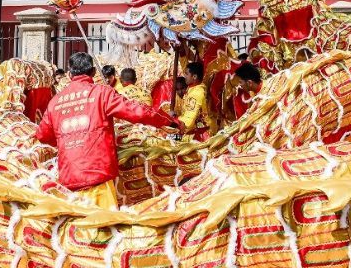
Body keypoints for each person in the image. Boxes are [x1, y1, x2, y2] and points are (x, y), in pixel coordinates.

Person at [35, 52, 180, 208]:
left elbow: (42, 135)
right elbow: (136, 111)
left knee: (78, 229)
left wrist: (66, 141)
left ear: (70, 74)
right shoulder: (102, 93)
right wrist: (168, 121)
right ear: (93, 72)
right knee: (104, 226)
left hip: (69, 179)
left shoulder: (56, 101)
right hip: (98, 176)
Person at [179, 61, 216, 141]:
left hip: (200, 135)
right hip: (193, 131)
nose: (184, 76)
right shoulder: (192, 88)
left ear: (194, 76)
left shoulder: (197, 92)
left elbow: (190, 115)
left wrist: (180, 124)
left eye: (186, 74)